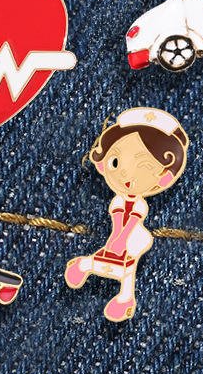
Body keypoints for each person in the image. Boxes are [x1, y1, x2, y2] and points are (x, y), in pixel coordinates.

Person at [65, 107, 189, 321]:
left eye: (144, 166)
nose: (125, 173)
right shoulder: (119, 200)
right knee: (115, 260)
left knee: (127, 263)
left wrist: (120, 240)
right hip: (121, 234)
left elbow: (130, 223)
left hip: (134, 236)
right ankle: (88, 269)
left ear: (164, 177)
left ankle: (122, 296)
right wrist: (115, 239)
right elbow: (117, 221)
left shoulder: (138, 205)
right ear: (102, 163)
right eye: (115, 161)